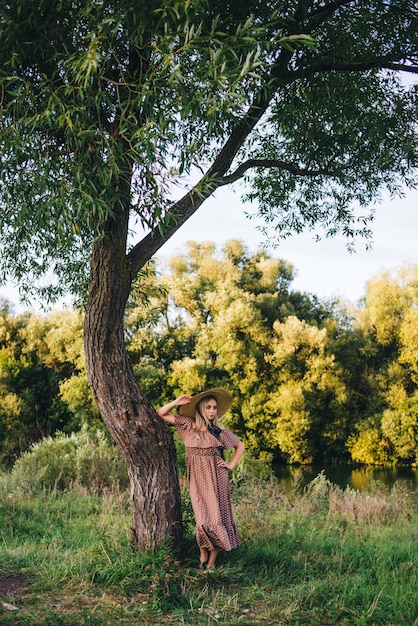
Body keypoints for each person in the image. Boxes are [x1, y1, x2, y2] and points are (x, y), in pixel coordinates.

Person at [158, 388, 245, 571]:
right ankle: (202, 553)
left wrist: (230, 465)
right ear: (200, 409)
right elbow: (161, 414)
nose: (212, 411)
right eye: (208, 407)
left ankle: (210, 564)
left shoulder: (219, 431)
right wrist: (176, 402)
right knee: (203, 519)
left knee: (217, 518)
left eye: (214, 407)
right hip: (198, 480)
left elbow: (240, 446)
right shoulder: (188, 425)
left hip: (217, 478)